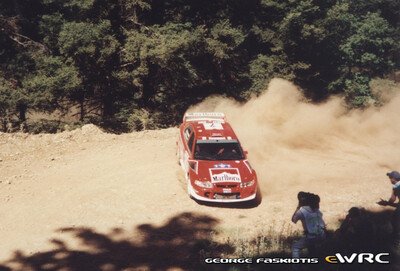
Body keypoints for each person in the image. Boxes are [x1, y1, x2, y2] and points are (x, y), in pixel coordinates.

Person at [291, 192, 326, 258]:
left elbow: (293, 220)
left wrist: (299, 206)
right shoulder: (318, 211)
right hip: (322, 235)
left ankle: (295, 267)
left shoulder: (302, 211)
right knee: (311, 246)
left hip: (311, 237)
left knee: (295, 247)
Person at [377, 171, 400, 251]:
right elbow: (395, 202)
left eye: (390, 178)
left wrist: (386, 203)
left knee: (396, 226)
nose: (390, 179)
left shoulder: (396, 187)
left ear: (394, 179)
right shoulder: (396, 186)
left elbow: (392, 200)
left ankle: (395, 246)